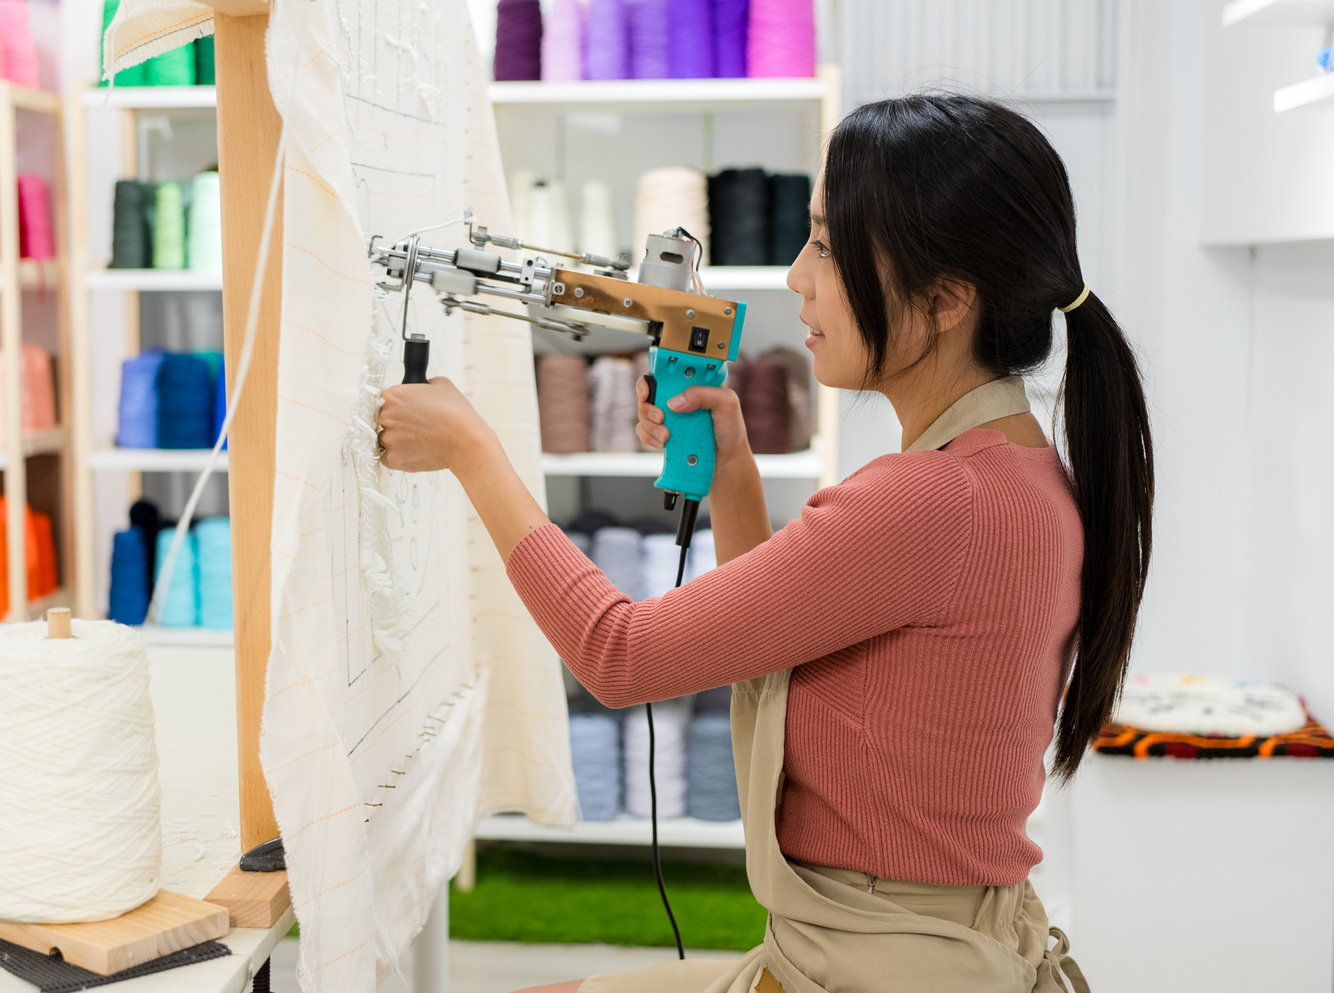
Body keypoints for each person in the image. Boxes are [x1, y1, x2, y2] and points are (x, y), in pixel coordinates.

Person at [375, 94, 1150, 993]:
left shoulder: (931, 502)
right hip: (907, 947)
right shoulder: (1014, 475)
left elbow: (617, 655)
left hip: (874, 966)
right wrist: (733, 467)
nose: (795, 276)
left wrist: (474, 452)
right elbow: (775, 637)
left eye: (826, 244)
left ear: (944, 300)